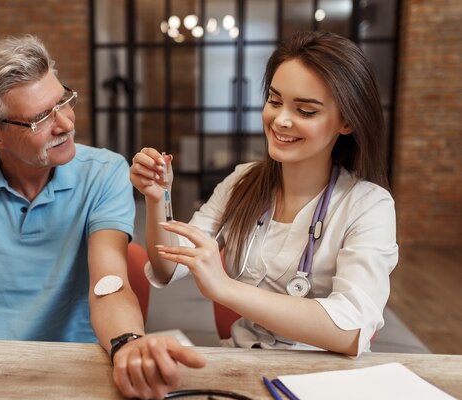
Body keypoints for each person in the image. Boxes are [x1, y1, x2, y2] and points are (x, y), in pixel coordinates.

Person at [0, 34, 204, 400]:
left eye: (63, 102)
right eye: (40, 118)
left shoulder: (104, 173)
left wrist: (128, 343)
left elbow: (109, 281)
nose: (65, 124)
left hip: (79, 366)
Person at [131, 31, 398, 357]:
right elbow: (167, 268)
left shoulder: (369, 205)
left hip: (326, 373)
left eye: (306, 111)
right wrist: (159, 199)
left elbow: (353, 329)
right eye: (274, 101)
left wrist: (226, 288)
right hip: (243, 360)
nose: (280, 120)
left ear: (346, 121)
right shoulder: (242, 181)